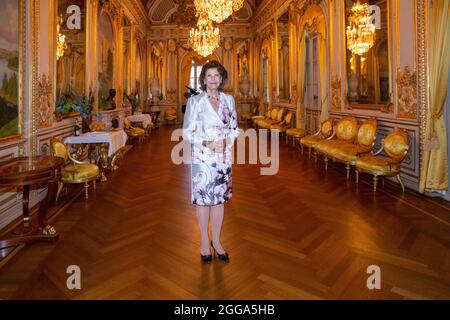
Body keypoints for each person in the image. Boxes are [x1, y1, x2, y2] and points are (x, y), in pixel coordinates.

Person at [182, 61, 240, 263]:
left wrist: (226, 141)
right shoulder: (195, 102)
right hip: (203, 158)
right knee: (204, 200)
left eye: (217, 75)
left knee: (219, 201)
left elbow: (234, 128)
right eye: (209, 76)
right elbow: (187, 132)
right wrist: (208, 143)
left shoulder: (229, 100)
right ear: (204, 79)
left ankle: (217, 241)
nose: (213, 79)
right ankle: (204, 242)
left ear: (221, 78)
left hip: (223, 158)